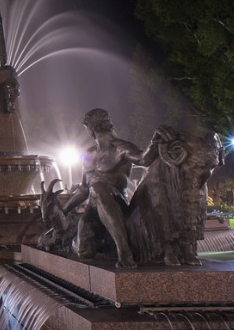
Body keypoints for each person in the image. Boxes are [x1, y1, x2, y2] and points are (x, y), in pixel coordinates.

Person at [63, 108, 174, 269]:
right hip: (92, 210)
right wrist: (64, 209)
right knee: (84, 252)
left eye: (87, 127)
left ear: (92, 127)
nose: (88, 132)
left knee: (98, 188)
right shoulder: (89, 154)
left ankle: (124, 250)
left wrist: (155, 141)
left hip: (115, 202)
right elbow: (82, 190)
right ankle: (105, 242)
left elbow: (143, 160)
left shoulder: (121, 147)